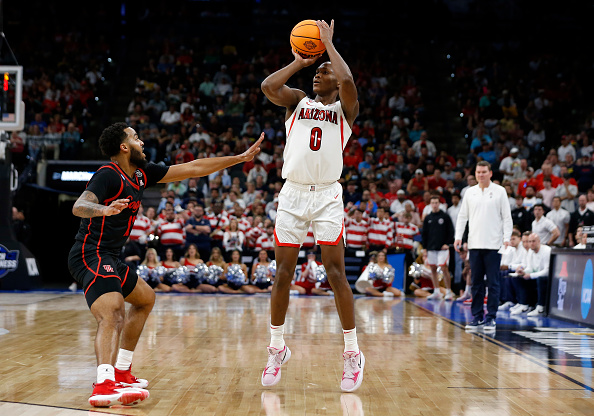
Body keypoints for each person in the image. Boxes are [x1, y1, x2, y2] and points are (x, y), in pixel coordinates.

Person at [68, 122, 263, 407]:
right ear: (124, 147)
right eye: (136, 138)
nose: (142, 142)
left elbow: (194, 167)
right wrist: (104, 209)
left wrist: (238, 158)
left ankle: (122, 371)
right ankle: (103, 384)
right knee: (112, 314)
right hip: (91, 253)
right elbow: (79, 206)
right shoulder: (107, 174)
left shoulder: (141, 173)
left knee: (146, 299)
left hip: (111, 256)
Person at [259, 19, 364, 392]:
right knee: (282, 273)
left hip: (327, 196)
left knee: (335, 273)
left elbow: (350, 83)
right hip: (292, 194)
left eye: (324, 72)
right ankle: (276, 347)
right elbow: (268, 86)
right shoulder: (297, 101)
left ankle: (352, 353)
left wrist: (330, 47)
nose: (319, 76)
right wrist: (302, 61)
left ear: (335, 79)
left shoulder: (345, 111)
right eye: (317, 72)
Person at [454, 161, 513, 332]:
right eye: (478, 172)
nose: (481, 175)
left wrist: (507, 238)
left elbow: (507, 218)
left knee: (493, 283)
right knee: (476, 283)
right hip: (474, 244)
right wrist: (458, 237)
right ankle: (477, 317)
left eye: (484, 172)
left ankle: (491, 318)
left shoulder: (500, 191)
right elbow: (462, 217)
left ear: (490, 173)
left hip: (494, 245)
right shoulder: (469, 193)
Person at [422, 196, 455, 300]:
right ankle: (436, 291)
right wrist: (425, 248)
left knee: (444, 268)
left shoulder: (445, 216)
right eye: (433, 203)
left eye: (436, 203)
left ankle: (448, 291)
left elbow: (451, 231)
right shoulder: (428, 218)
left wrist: (447, 243)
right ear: (430, 204)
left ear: (439, 204)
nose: (435, 205)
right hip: (431, 247)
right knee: (433, 269)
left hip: (442, 248)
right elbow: (424, 234)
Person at [514, 233, 552, 317]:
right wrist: (523, 272)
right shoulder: (530, 252)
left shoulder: (546, 251)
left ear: (539, 241)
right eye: (529, 241)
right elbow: (530, 268)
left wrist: (531, 275)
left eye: (533, 241)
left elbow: (547, 270)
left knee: (540, 279)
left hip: (547, 278)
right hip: (536, 275)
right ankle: (524, 304)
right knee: (520, 277)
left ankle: (541, 307)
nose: (531, 243)